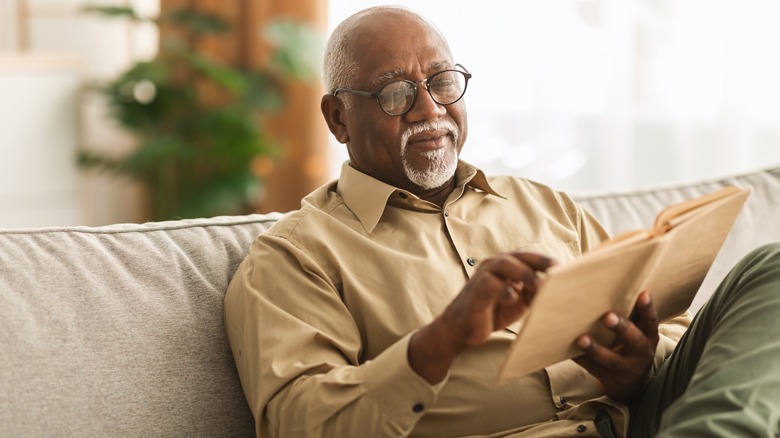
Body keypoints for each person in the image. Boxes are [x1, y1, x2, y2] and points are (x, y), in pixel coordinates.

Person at [224, 5, 780, 437]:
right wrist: (440, 339)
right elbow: (297, 423)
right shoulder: (296, 255)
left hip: (649, 419)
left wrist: (639, 365)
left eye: (442, 81)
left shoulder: (542, 205)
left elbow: (673, 337)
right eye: (396, 93)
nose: (430, 109)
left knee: (771, 268)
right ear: (338, 117)